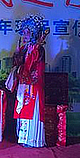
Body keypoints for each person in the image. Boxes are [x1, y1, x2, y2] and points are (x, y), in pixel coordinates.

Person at [11, 14, 48, 148]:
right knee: (22, 110)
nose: (25, 35)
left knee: (31, 109)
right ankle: (22, 137)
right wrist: (17, 54)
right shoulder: (24, 49)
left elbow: (36, 69)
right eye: (23, 32)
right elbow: (16, 64)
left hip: (32, 86)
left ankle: (32, 139)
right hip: (23, 84)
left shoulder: (39, 49)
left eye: (28, 32)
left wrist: (26, 75)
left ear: (33, 33)